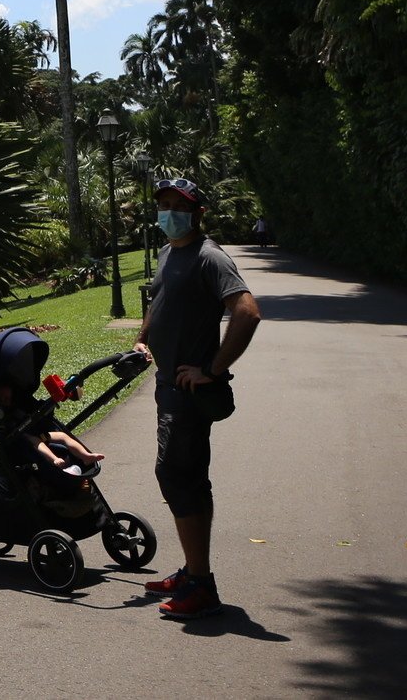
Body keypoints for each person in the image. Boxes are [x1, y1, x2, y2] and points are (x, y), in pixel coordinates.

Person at [133, 176, 262, 621]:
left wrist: (212, 369)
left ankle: (202, 586)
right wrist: (143, 339)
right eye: (162, 204)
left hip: (189, 392)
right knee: (188, 478)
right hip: (168, 384)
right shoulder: (169, 252)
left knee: (175, 475)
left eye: (177, 205)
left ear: (197, 213)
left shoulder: (210, 257)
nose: (167, 212)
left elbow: (247, 311)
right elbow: (159, 299)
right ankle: (192, 571)